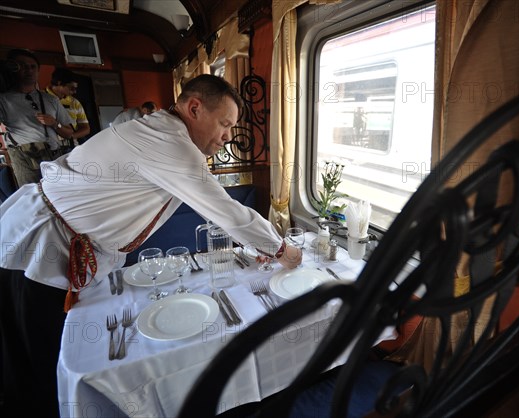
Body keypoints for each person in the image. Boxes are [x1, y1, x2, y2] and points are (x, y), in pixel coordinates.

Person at [0, 74, 301, 417]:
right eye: (225, 124)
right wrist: (282, 250)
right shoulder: (169, 142)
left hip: (59, 243)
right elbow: (227, 211)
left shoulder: (160, 132)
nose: (228, 136)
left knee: (37, 359)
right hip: (35, 247)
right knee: (35, 365)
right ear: (195, 108)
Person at [0, 49, 74, 187]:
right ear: (12, 69)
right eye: (22, 66)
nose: (29, 70)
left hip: (53, 156)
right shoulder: (4, 100)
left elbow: (69, 133)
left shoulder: (51, 100)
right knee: (36, 196)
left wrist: (54, 123)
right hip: (26, 158)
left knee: (62, 193)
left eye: (32, 67)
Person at [45, 67, 90, 150]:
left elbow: (86, 128)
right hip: (50, 147)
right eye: (71, 88)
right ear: (59, 83)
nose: (75, 92)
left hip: (71, 146)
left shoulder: (75, 102)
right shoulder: (42, 98)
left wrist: (70, 136)